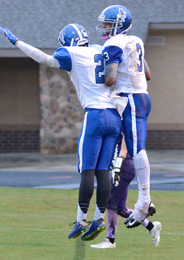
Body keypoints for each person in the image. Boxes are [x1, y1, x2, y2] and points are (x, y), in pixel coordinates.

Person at [0, 24, 122, 241]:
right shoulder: (97, 48)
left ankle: (81, 220)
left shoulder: (71, 52)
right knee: (104, 170)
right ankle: (99, 218)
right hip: (114, 116)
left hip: (95, 115)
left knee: (88, 169)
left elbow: (45, 60)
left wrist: (17, 42)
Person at [95, 4, 155, 228]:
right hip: (142, 97)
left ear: (118, 24)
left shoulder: (112, 43)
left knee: (137, 149)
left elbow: (110, 80)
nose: (105, 27)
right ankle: (143, 199)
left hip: (129, 98)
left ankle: (143, 200)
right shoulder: (136, 41)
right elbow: (147, 74)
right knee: (135, 147)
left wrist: (97, 79)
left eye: (108, 23)